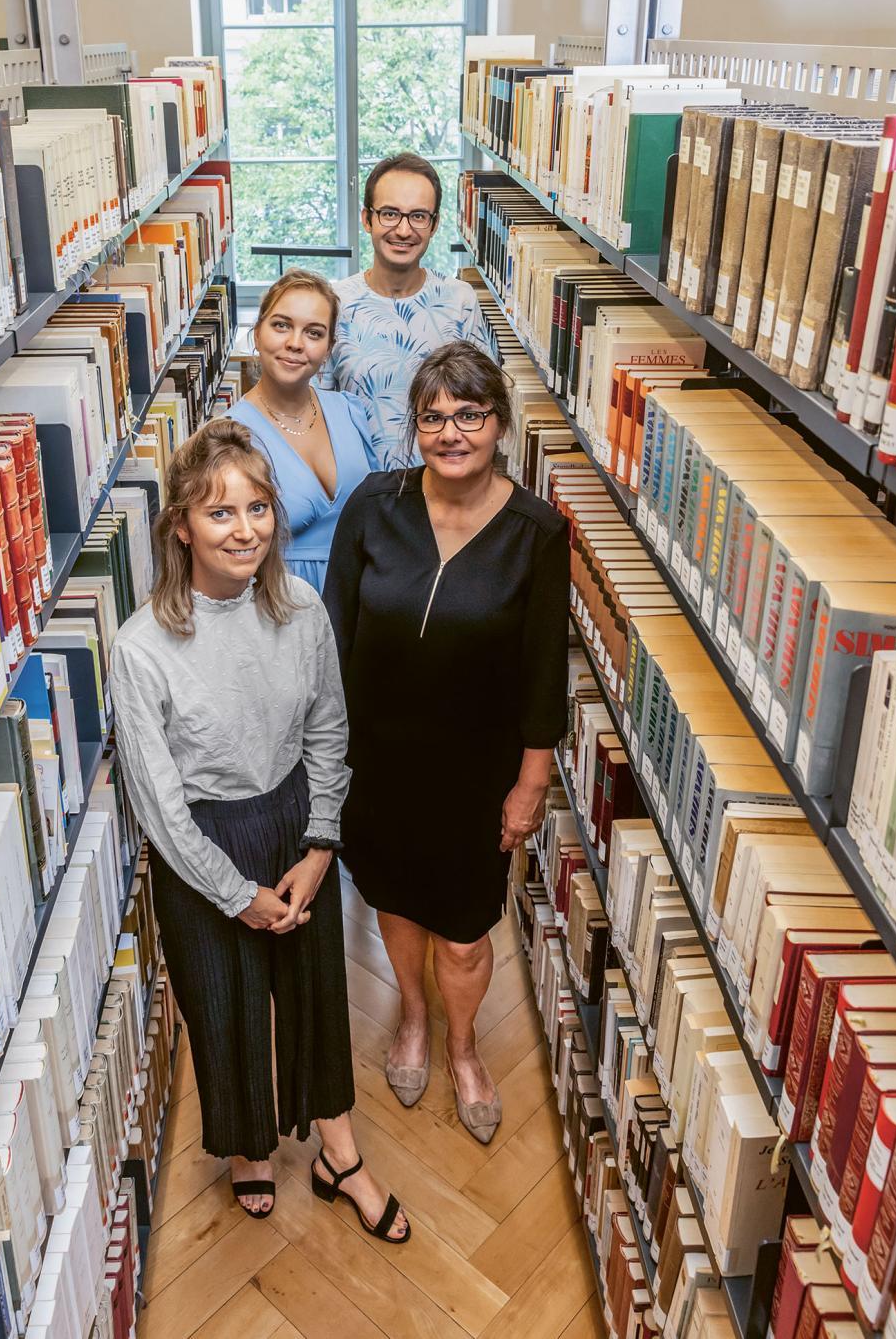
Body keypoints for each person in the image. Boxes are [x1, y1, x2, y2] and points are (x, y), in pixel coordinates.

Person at [109, 418, 409, 1239]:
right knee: (223, 1002)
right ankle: (246, 1148)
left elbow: (328, 732)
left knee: (315, 994)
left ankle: (337, 1151)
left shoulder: (300, 607)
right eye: (220, 513)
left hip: (290, 820)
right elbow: (159, 802)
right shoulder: (141, 647)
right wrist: (234, 893)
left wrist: (318, 848)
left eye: (259, 509)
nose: (245, 530)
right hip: (201, 845)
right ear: (180, 525)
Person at [323, 342, 569, 1144]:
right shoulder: (373, 504)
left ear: (499, 423)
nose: (451, 431)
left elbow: (541, 671)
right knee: (394, 901)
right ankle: (413, 1018)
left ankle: (464, 1047)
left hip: (475, 771)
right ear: (416, 425)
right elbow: (334, 630)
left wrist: (531, 782)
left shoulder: (536, 532)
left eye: (469, 414)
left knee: (463, 930)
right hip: (379, 763)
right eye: (433, 416)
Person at [319, 152, 497, 469]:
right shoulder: (333, 304)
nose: (403, 231)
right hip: (360, 494)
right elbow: (316, 408)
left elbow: (485, 408)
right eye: (389, 214)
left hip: (447, 489)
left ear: (435, 224)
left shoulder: (460, 301)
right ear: (366, 218)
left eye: (418, 216)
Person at [228, 269, 377, 592]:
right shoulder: (230, 436)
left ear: (328, 348)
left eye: (314, 333)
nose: (295, 344)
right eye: (281, 325)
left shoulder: (349, 411)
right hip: (278, 606)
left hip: (361, 603)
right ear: (257, 334)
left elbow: (379, 515)